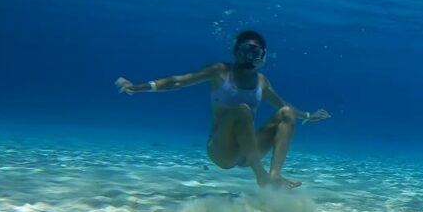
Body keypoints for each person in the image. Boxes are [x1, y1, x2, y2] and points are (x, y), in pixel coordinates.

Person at [116, 30, 330, 189]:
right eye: (245, 50)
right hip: (221, 152)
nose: (249, 56)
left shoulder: (261, 80)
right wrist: (138, 87)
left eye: (254, 51)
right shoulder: (221, 71)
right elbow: (178, 81)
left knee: (285, 113)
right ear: (236, 52)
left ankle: (274, 176)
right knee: (242, 110)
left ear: (263, 55)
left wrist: (308, 116)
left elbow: (283, 104)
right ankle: (261, 177)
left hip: (248, 153)